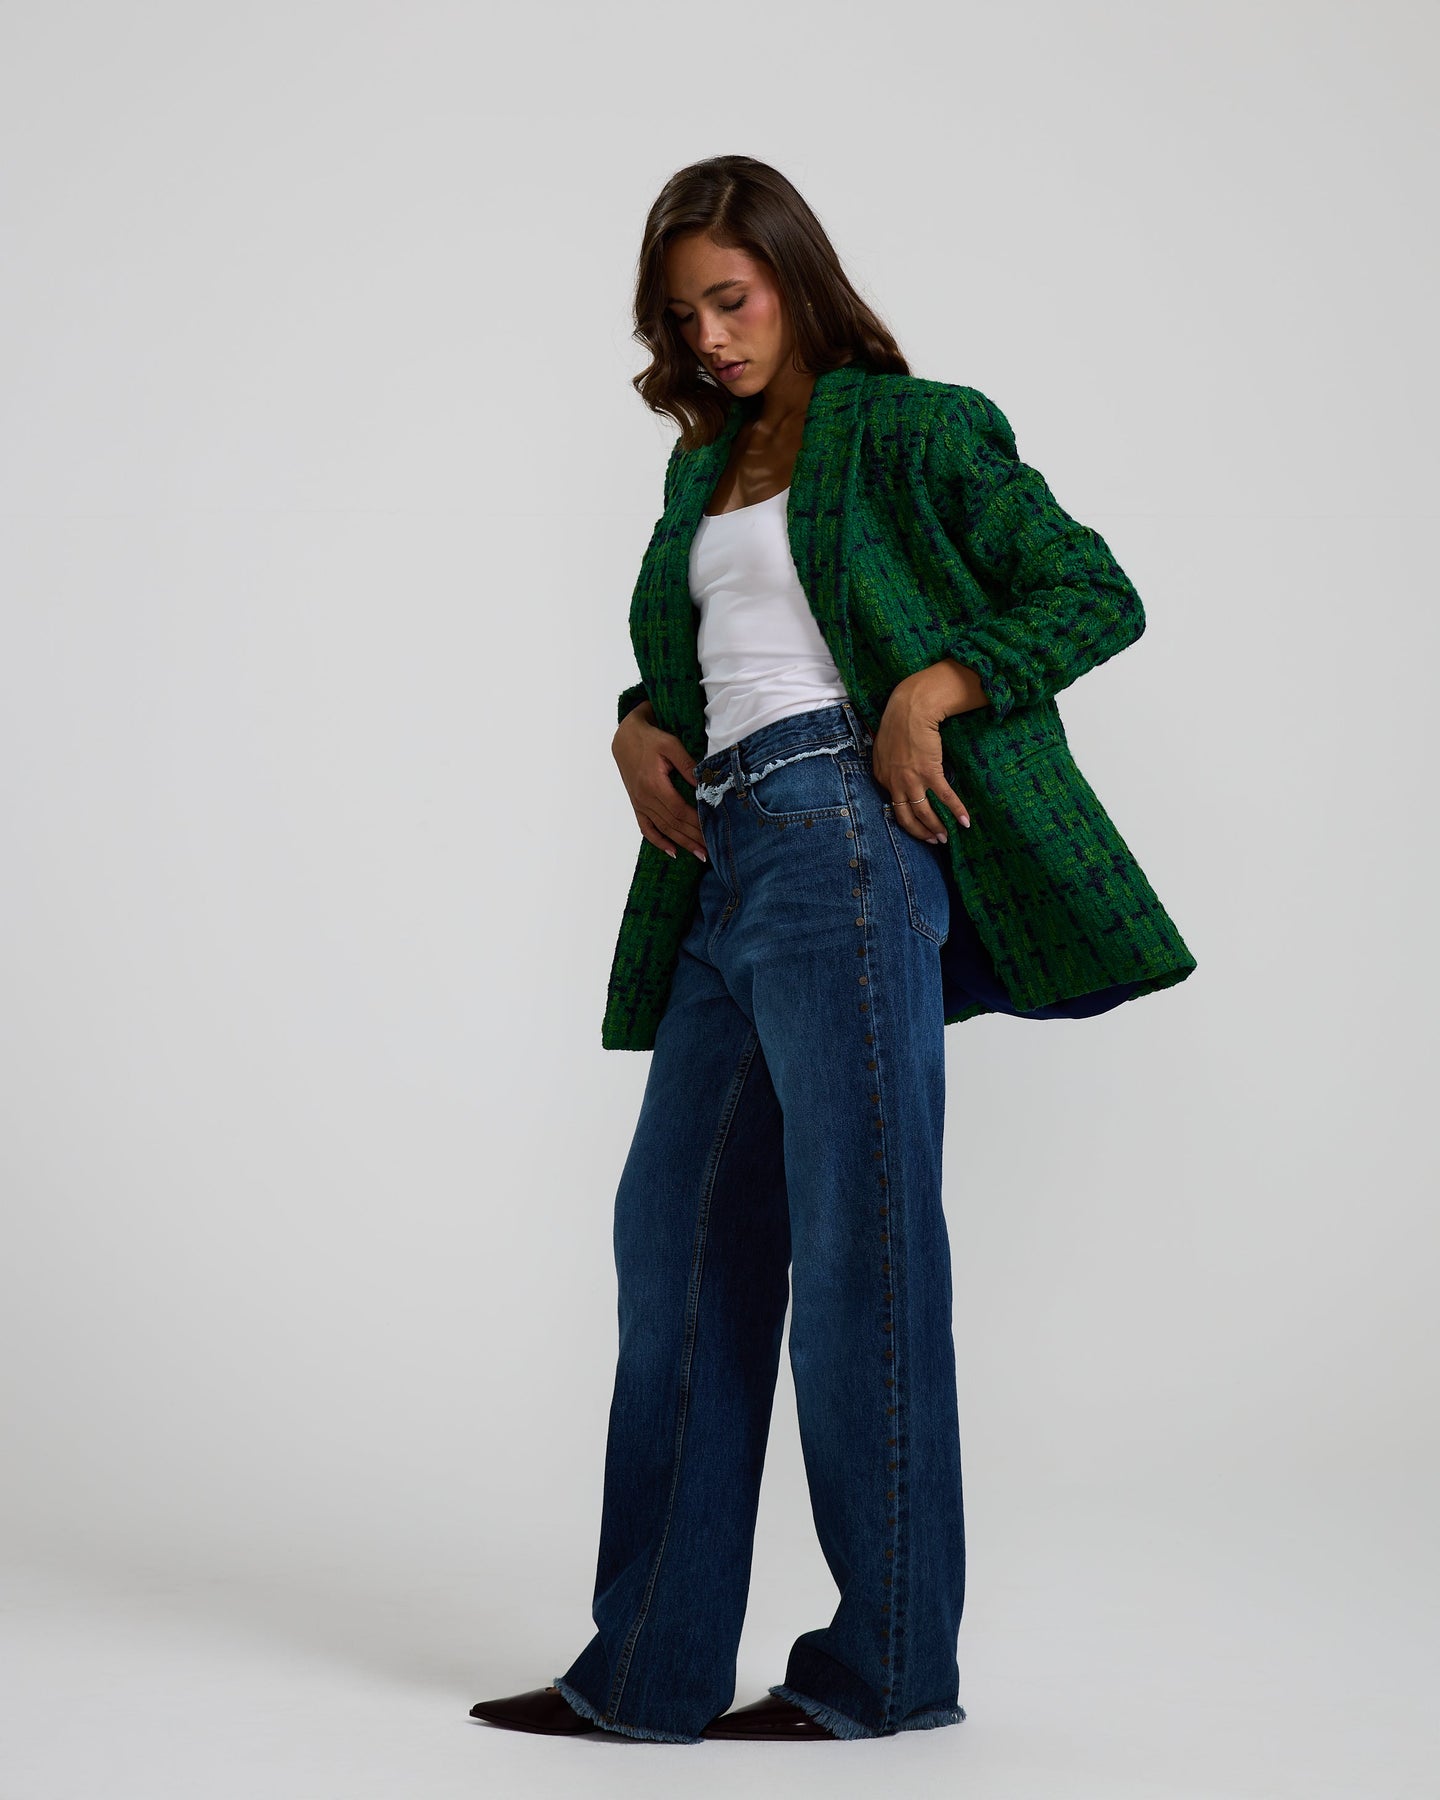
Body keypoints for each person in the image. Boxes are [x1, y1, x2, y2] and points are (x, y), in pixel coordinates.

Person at [470, 155, 1196, 1746]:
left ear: (795, 277)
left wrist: (939, 685)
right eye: (682, 315)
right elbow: (709, 654)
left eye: (730, 299)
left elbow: (1092, 589)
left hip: (845, 846)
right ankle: (648, 1670)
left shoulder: (919, 426)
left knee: (863, 1258)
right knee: (676, 1254)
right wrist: (633, 724)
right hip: (721, 859)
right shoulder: (702, 468)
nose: (709, 337)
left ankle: (887, 1668)